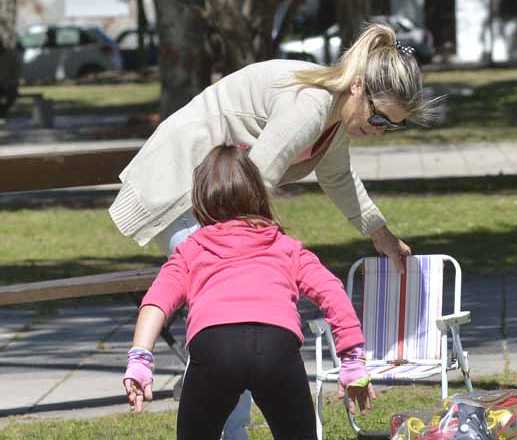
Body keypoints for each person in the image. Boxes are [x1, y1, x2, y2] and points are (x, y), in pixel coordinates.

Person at [109, 24, 436, 439]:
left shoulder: (335, 114)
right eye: (377, 117)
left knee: (229, 323)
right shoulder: (312, 105)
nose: (378, 129)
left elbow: (338, 178)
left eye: (391, 125)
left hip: (222, 196)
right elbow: (256, 179)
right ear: (357, 87)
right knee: (224, 313)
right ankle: (232, 431)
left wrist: (380, 234)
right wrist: (267, 248)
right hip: (190, 186)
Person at [122, 145, 374, 439]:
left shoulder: (191, 249)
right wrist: (352, 358)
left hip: (215, 345)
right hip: (276, 344)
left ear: (200, 199)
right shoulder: (284, 246)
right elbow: (331, 290)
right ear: (257, 193)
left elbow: (156, 302)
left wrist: (140, 359)